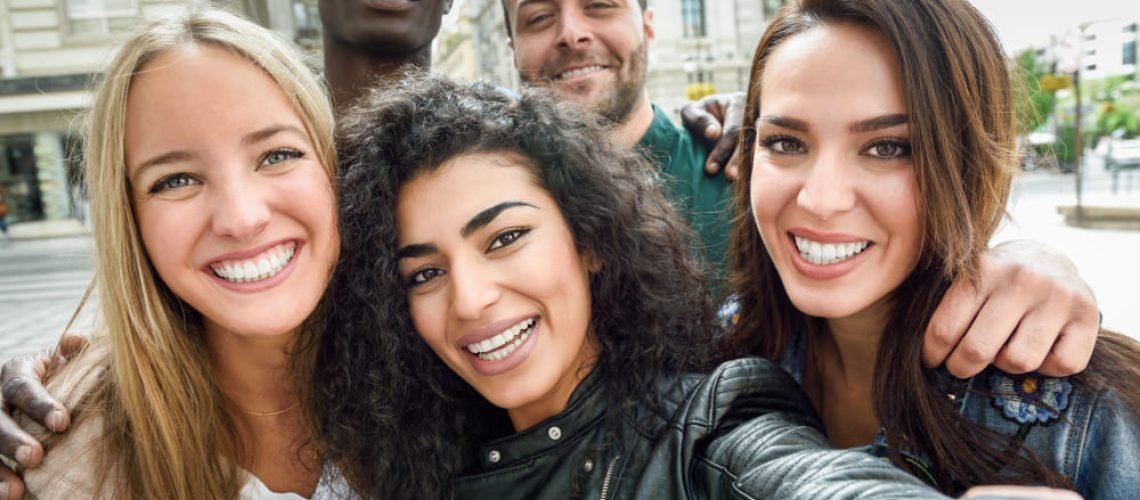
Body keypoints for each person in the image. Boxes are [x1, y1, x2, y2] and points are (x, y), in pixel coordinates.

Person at [313, 72, 1079, 499]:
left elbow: (805, 481)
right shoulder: (417, 458)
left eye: (506, 238)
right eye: (425, 272)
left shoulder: (704, 426)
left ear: (591, 244)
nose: (471, 297)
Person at [726, 0, 1140, 496]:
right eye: (786, 142)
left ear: (967, 161)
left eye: (888, 148)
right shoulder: (713, 354)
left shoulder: (1084, 411)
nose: (820, 200)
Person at [5, 10, 345, 498]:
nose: (241, 218)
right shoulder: (60, 466)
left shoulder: (454, 375)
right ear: (129, 218)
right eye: (175, 180)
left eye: (277, 155)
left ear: (333, 168)